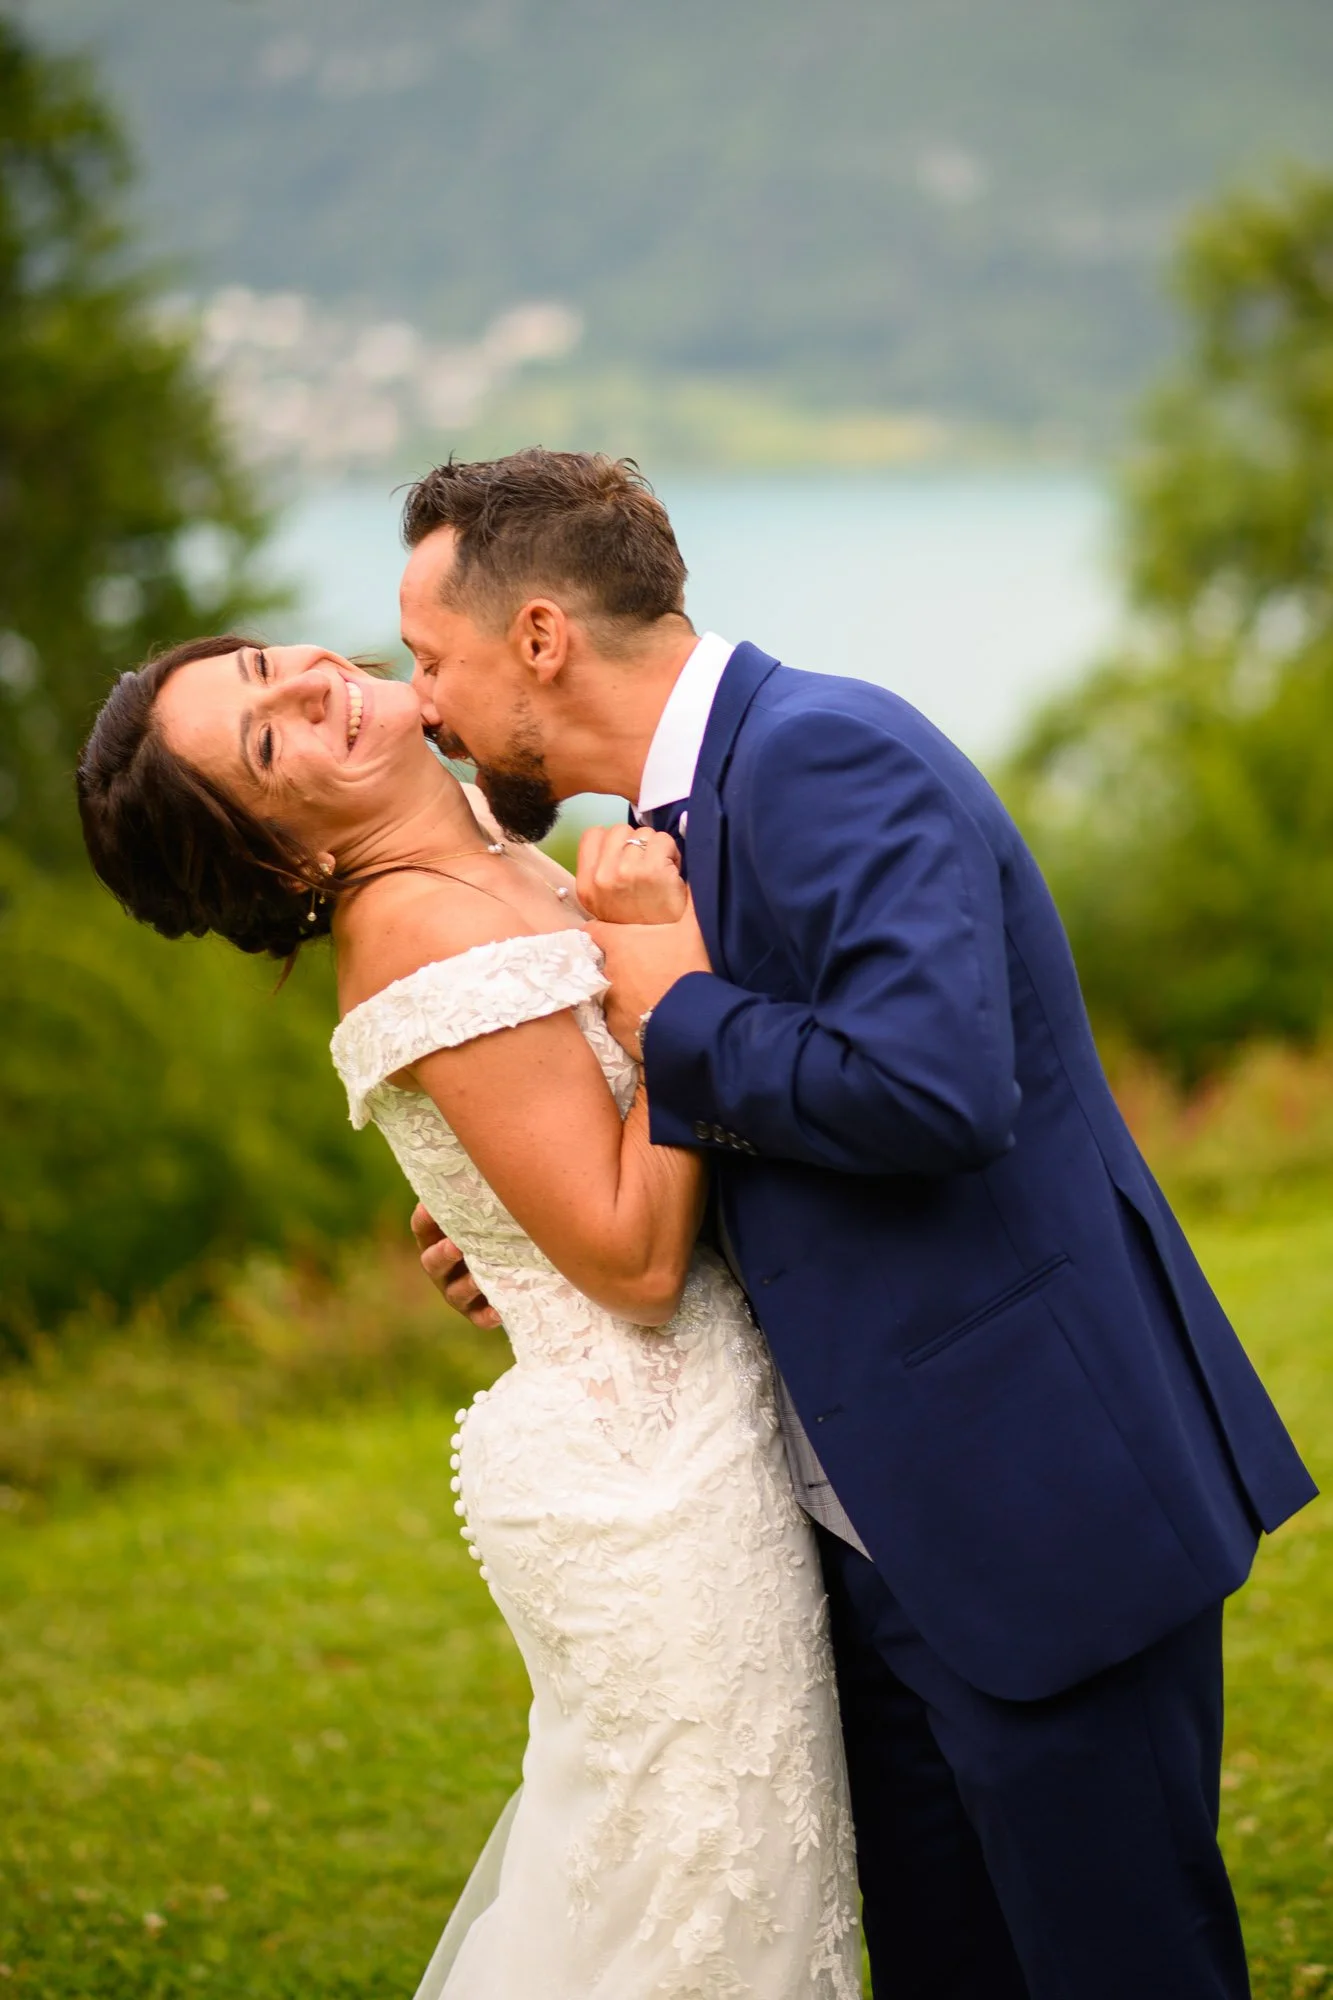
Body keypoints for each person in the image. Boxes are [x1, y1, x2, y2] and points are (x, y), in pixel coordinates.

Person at [395, 449, 1318, 2000]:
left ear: (539, 636)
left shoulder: (823, 754)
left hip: (1028, 1507)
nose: (421, 704)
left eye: (430, 658)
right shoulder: (679, 819)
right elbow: (804, 1144)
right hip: (860, 1542)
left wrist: (677, 1010)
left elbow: (936, 1091)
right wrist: (547, 1235)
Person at [75, 636, 860, 1999]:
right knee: (695, 1910)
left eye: (262, 663)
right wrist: (670, 975)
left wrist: (498, 1227)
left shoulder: (488, 841)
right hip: (651, 1483)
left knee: (718, 1889)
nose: (305, 684)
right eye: (265, 741)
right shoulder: (417, 932)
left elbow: (558, 1151)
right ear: (284, 860)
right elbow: (634, 1262)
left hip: (694, 1438)